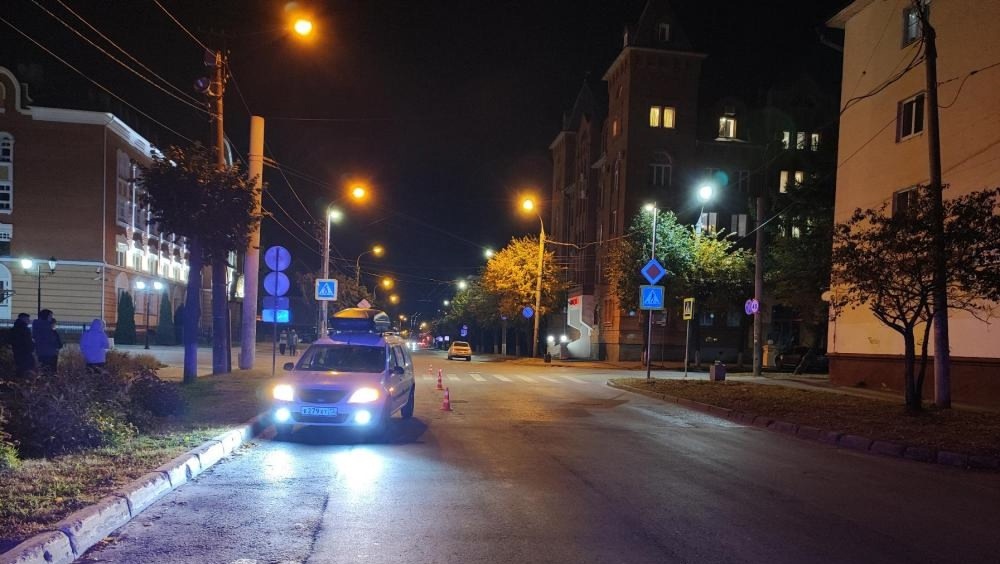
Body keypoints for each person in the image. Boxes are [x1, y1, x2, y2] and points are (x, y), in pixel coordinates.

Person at [8, 312, 35, 378]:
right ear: (23, 318)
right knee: (27, 369)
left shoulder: (14, 329)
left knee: (20, 369)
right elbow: (28, 342)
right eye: (27, 319)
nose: (29, 320)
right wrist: (32, 347)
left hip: (17, 352)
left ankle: (19, 381)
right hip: (25, 353)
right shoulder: (24, 329)